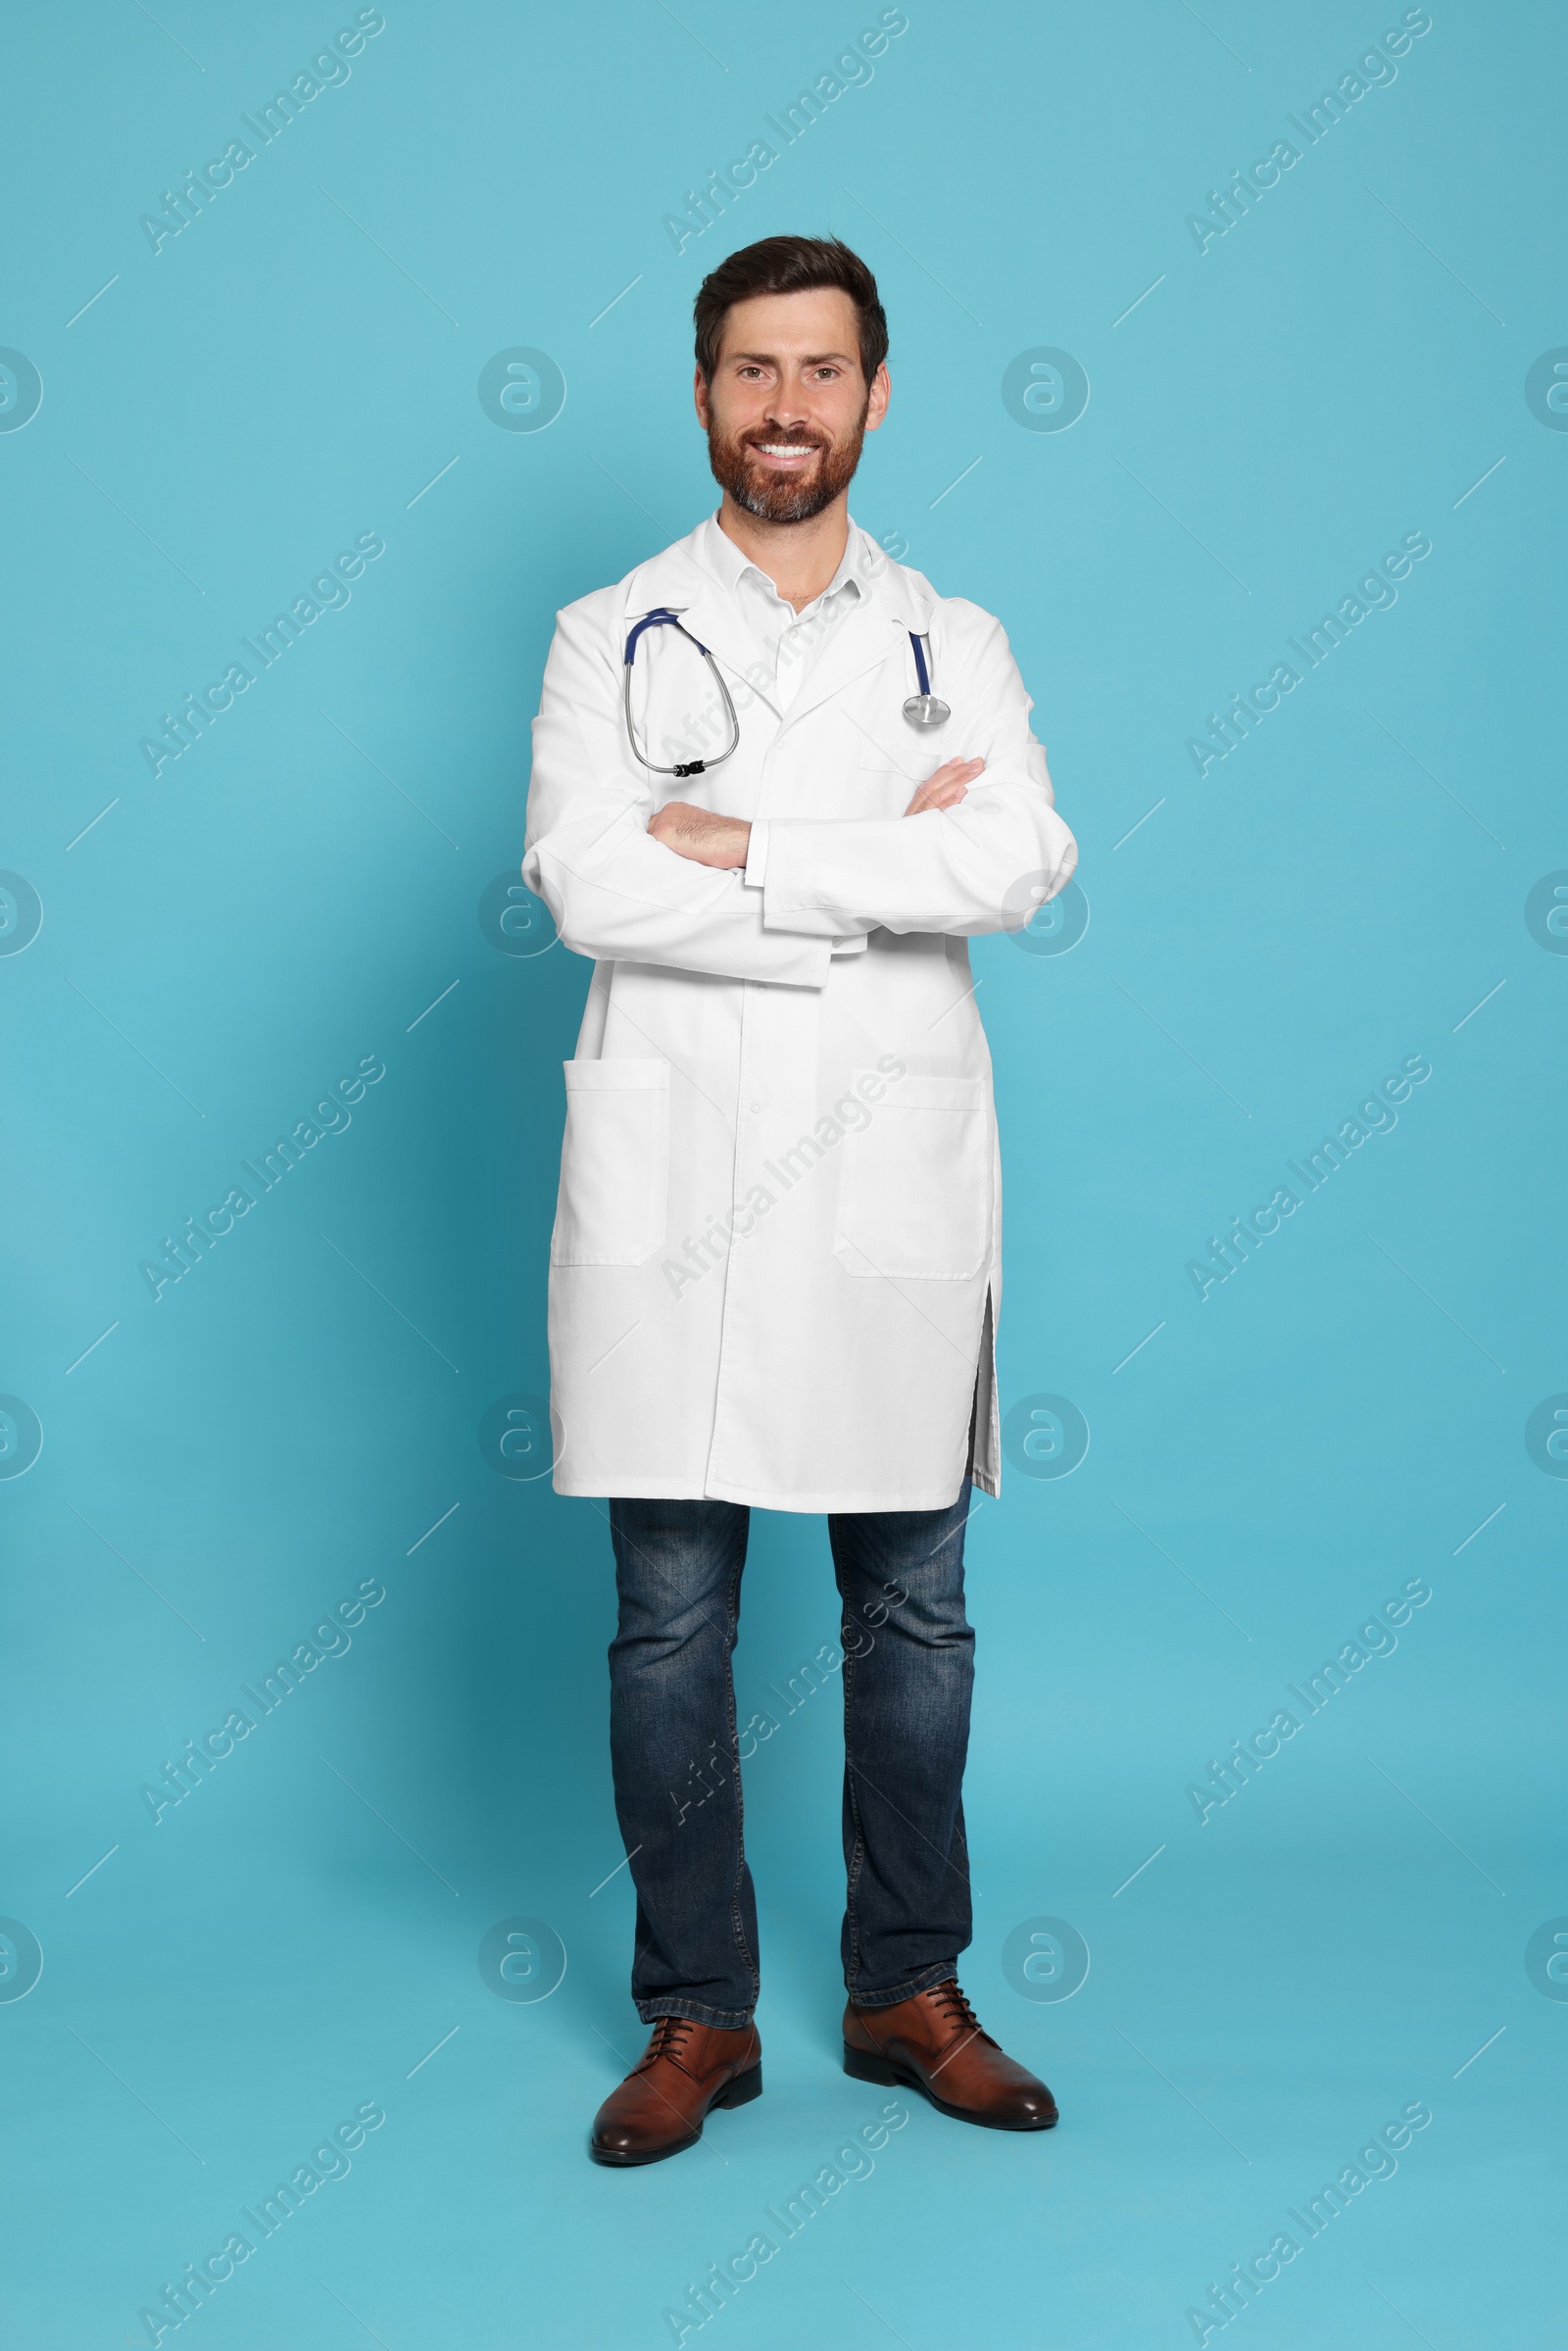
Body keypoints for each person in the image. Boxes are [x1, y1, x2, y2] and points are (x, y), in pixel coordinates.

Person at [522, 234, 1078, 2167]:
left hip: (885, 1187)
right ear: (699, 394)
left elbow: (1015, 861)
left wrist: (745, 849)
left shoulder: (958, 640)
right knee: (668, 1621)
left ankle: (901, 1989)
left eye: (819, 372)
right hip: (676, 1185)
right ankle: (698, 2018)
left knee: (909, 1618)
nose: (783, 408)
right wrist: (864, 877)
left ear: (875, 394)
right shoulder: (610, 632)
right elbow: (591, 887)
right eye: (750, 372)